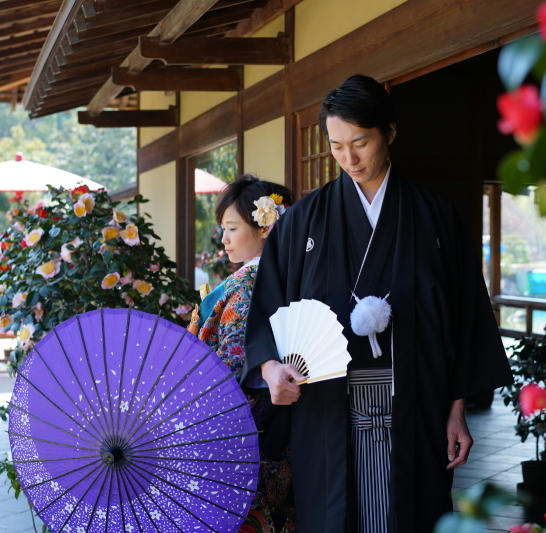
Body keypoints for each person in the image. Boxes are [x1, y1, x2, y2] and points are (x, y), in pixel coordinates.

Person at [242, 75, 513, 533]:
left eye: (361, 142)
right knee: (332, 517)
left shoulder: (434, 216)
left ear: (389, 132)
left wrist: (456, 409)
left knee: (412, 513)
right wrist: (270, 370)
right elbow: (269, 309)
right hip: (326, 406)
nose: (349, 158)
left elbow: (465, 318)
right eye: (336, 146)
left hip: (417, 402)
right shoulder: (303, 221)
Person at [192, 174, 296, 533]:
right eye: (223, 228)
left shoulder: (249, 285)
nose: (224, 239)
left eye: (232, 228)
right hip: (272, 433)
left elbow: (231, 366)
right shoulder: (282, 277)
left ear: (265, 227)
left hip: (240, 432)